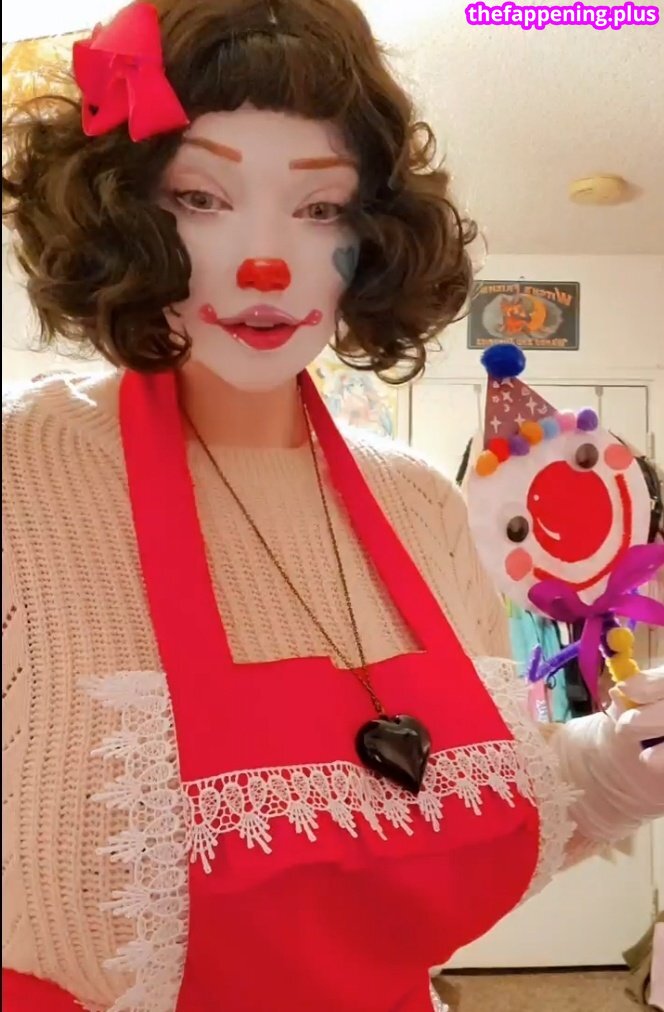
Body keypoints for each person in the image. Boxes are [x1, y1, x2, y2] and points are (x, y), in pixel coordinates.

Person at [2, 2, 662, 1010]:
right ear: (125, 215)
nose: (264, 262)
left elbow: (467, 827)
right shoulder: (22, 476)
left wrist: (622, 766)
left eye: (320, 208)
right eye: (201, 198)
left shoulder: (421, 503)